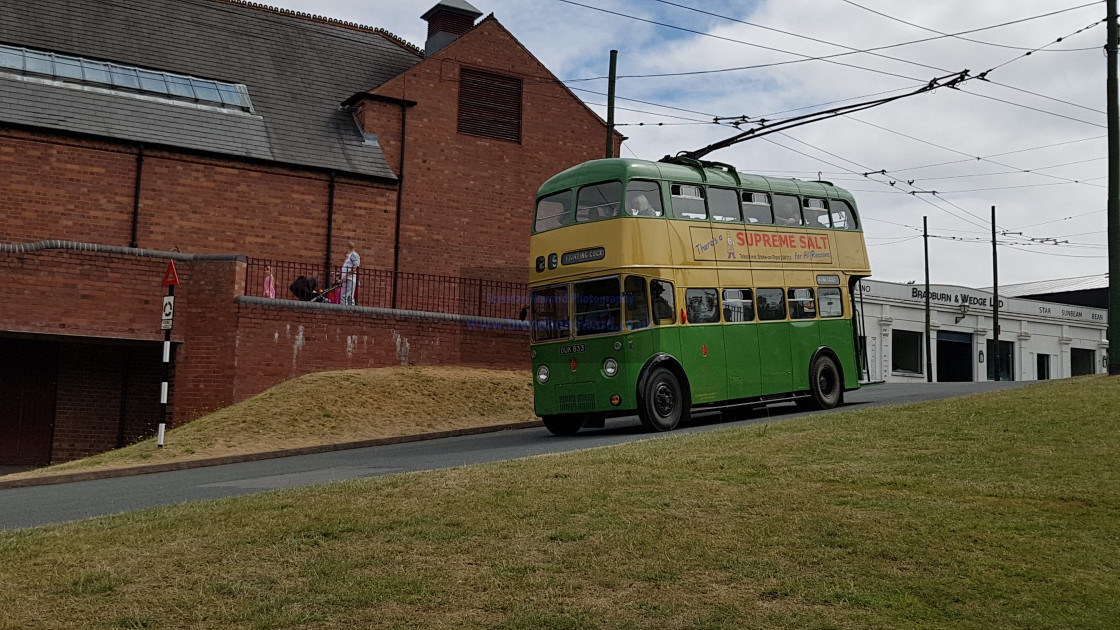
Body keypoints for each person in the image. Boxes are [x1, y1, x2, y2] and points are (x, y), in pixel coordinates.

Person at [339, 241, 360, 306]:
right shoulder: (350, 255)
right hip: (348, 278)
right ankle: (351, 311)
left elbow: (355, 267)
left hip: (349, 279)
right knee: (349, 297)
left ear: (348, 248)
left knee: (344, 296)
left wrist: (346, 276)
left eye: (346, 248)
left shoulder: (353, 255)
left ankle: (343, 310)